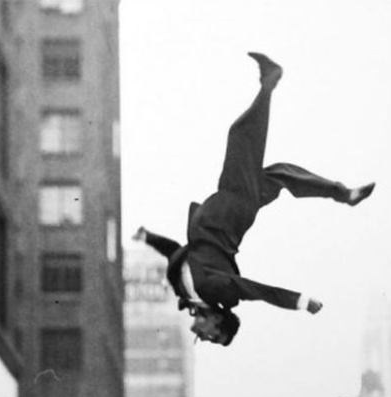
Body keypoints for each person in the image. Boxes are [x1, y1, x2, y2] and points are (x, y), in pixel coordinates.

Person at [134, 52, 375, 346]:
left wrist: (147, 237)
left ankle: (344, 194)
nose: (205, 337)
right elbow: (254, 290)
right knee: (241, 136)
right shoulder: (221, 292)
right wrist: (299, 300)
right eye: (214, 337)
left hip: (228, 209)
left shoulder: (184, 292)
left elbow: (174, 250)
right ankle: (270, 81)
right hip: (229, 211)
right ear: (218, 321)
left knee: (281, 175)